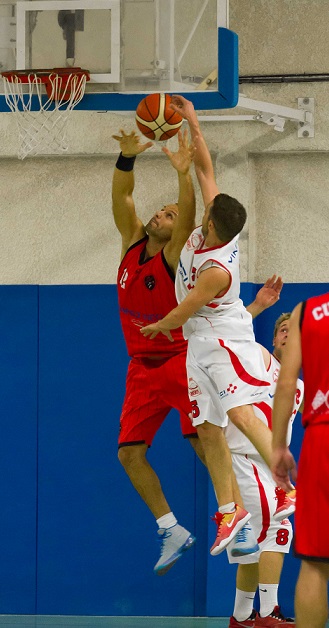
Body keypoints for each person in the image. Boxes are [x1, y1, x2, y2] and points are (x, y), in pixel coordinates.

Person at [140, 95, 280, 557]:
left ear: (216, 228)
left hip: (223, 338)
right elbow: (205, 168)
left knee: (239, 415)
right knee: (207, 427)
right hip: (201, 342)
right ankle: (229, 510)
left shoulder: (218, 268)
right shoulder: (217, 213)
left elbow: (185, 311)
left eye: (206, 215)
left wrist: (160, 325)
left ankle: (288, 482)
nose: (202, 210)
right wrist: (194, 123)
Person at [112, 127, 198, 576]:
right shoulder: (131, 243)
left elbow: (187, 222)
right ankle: (171, 528)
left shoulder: (172, 256)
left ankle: (242, 504)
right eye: (160, 209)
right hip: (141, 368)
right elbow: (123, 199)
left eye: (168, 214)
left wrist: (184, 177)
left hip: (178, 360)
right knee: (129, 452)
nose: (159, 215)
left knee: (201, 440)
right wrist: (127, 158)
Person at [227, 313, 303, 627]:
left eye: (293, 332)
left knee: (262, 539)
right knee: (275, 530)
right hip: (244, 456)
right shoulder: (261, 359)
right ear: (273, 339)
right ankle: (268, 612)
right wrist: (257, 306)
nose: (287, 334)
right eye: (282, 330)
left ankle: (242, 615)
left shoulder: (296, 384)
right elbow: (234, 332)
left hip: (268, 466)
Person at [271, 293, 329, 628]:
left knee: (315, 564)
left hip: (321, 439)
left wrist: (279, 446)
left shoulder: (306, 311)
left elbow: (287, 380)